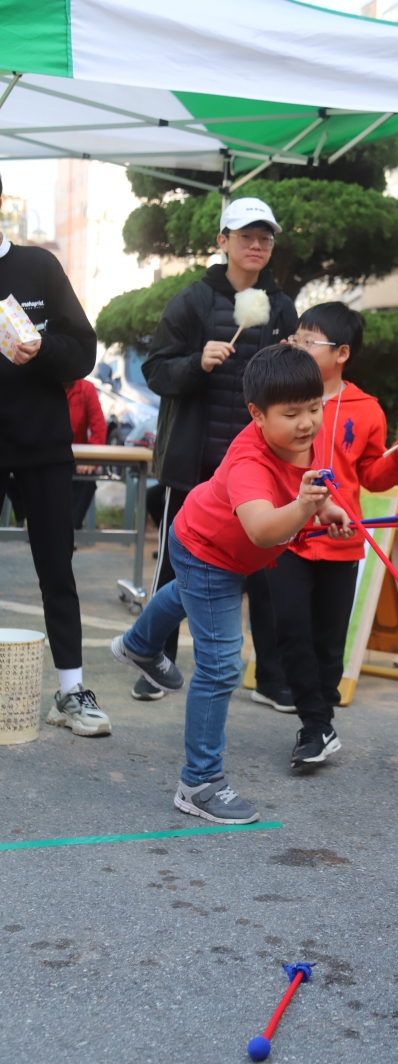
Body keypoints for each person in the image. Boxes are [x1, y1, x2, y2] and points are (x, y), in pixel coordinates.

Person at [110, 345, 352, 823]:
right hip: (207, 550)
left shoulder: (302, 436)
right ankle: (199, 783)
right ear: (257, 415)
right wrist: (305, 507)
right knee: (222, 666)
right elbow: (262, 529)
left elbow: (305, 480)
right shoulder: (249, 462)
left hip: (218, 548)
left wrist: (324, 507)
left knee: (187, 595)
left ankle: (138, 645)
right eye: (291, 414)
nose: (306, 423)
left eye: (313, 407)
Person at [137, 196, 297, 706]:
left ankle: (269, 676)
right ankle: (154, 662)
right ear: (223, 241)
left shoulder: (280, 306)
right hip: (195, 464)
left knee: (267, 570)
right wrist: (196, 362)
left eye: (265, 238)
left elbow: (292, 384)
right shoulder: (191, 302)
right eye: (246, 236)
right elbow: (155, 370)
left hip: (257, 468)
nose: (257, 246)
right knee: (175, 567)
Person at [266, 302, 398, 768]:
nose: (297, 345)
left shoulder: (367, 409)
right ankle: (314, 722)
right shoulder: (280, 397)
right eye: (296, 337)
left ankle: (318, 724)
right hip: (289, 534)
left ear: (342, 353)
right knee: (290, 629)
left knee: (329, 640)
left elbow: (373, 476)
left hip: (341, 539)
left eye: (308, 340)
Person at [0, 173, 111, 736]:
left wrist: (42, 349)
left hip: (43, 445)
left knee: (56, 567)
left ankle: (71, 692)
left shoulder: (38, 266)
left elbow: (84, 351)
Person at [64, 377, 107, 529]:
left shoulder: (86, 389)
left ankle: (69, 529)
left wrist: (90, 460)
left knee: (87, 480)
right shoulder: (42, 386)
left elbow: (99, 427)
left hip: (77, 459)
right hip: (45, 457)